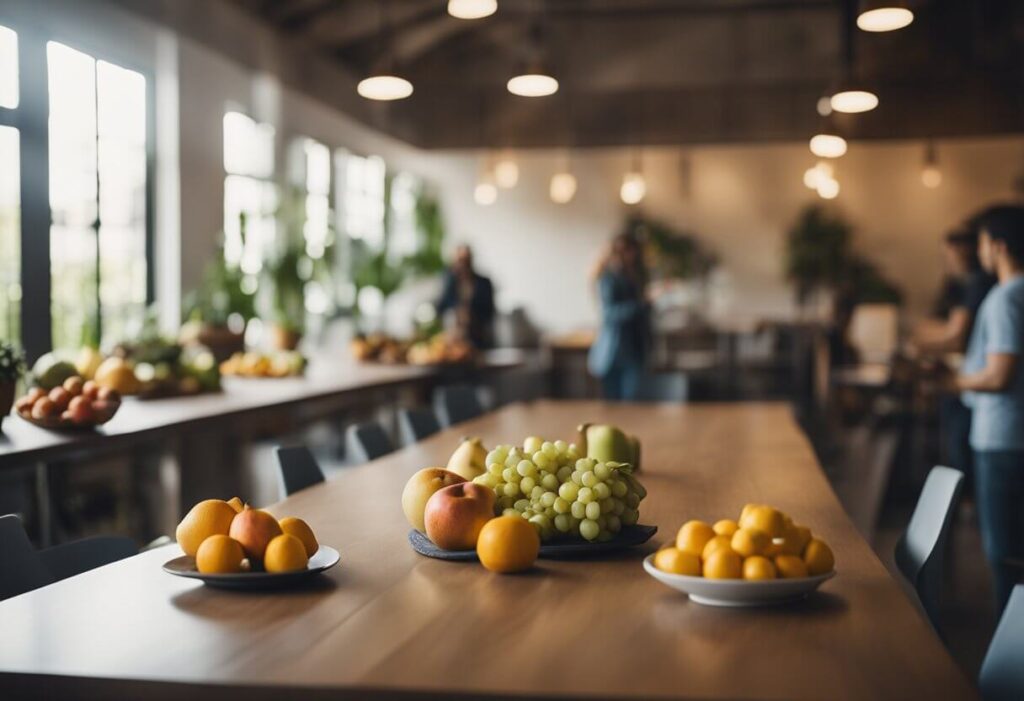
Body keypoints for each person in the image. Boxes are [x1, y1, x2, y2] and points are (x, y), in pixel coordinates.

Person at [956, 204, 1024, 615]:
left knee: (1004, 556)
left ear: (997, 247)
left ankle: (1009, 663)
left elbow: (999, 375)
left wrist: (954, 381)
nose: (979, 251)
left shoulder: (1005, 298)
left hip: (1002, 438)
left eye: (981, 242)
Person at [915, 227, 996, 488]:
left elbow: (955, 336)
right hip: (968, 380)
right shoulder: (962, 284)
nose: (947, 259)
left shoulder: (980, 283)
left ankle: (962, 505)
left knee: (960, 451)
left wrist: (920, 340)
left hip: (971, 381)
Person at [588, 233, 652, 400]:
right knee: (616, 405)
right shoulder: (609, 279)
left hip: (634, 350)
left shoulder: (634, 278)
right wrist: (643, 302)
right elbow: (609, 314)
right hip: (614, 351)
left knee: (632, 401)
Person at [436, 245, 496, 349]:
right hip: (454, 340)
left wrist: (472, 315)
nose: (462, 264)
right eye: (459, 260)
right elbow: (440, 307)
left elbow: (490, 312)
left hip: (479, 340)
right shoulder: (449, 283)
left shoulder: (483, 283)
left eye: (466, 260)